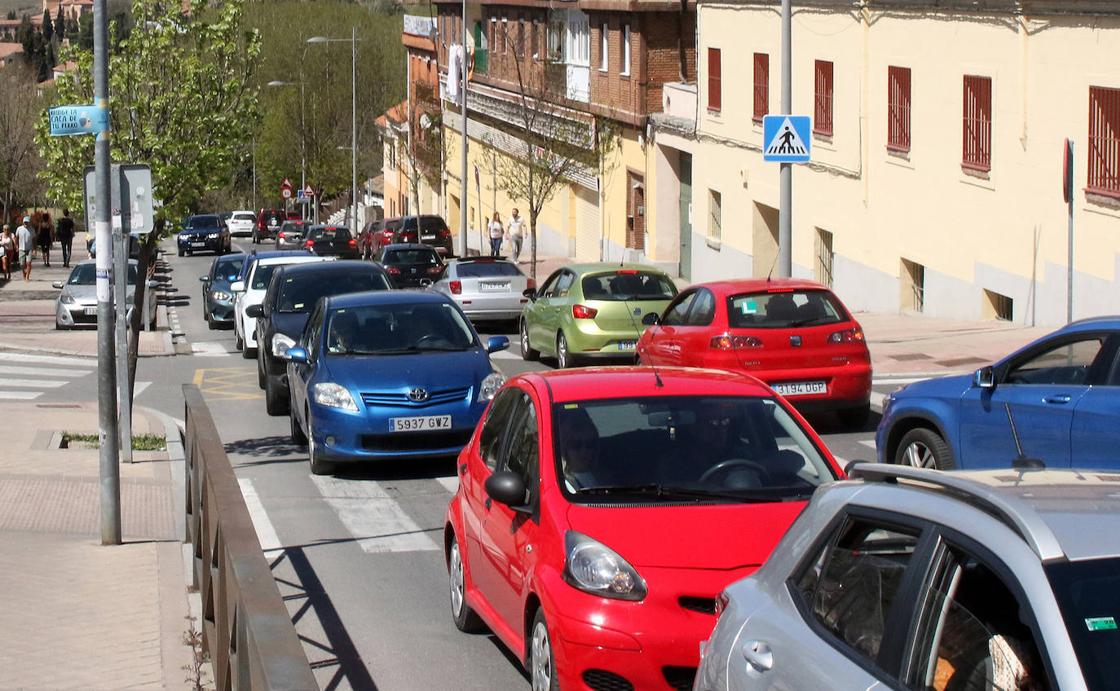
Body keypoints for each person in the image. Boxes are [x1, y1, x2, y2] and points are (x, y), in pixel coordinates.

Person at [558, 408, 603, 491]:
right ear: (565, 448)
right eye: (576, 445)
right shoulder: (564, 486)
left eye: (589, 444)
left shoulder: (604, 478)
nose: (584, 450)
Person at [15, 215, 34, 281]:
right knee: (22, 264)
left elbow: (34, 239)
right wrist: (16, 246)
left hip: (30, 248)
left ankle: (27, 277)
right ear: (23, 222)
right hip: (21, 248)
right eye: (25, 222)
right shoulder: (19, 229)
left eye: (27, 222)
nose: (26, 223)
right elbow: (16, 238)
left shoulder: (32, 229)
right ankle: (24, 273)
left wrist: (35, 249)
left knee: (28, 263)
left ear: (29, 222)